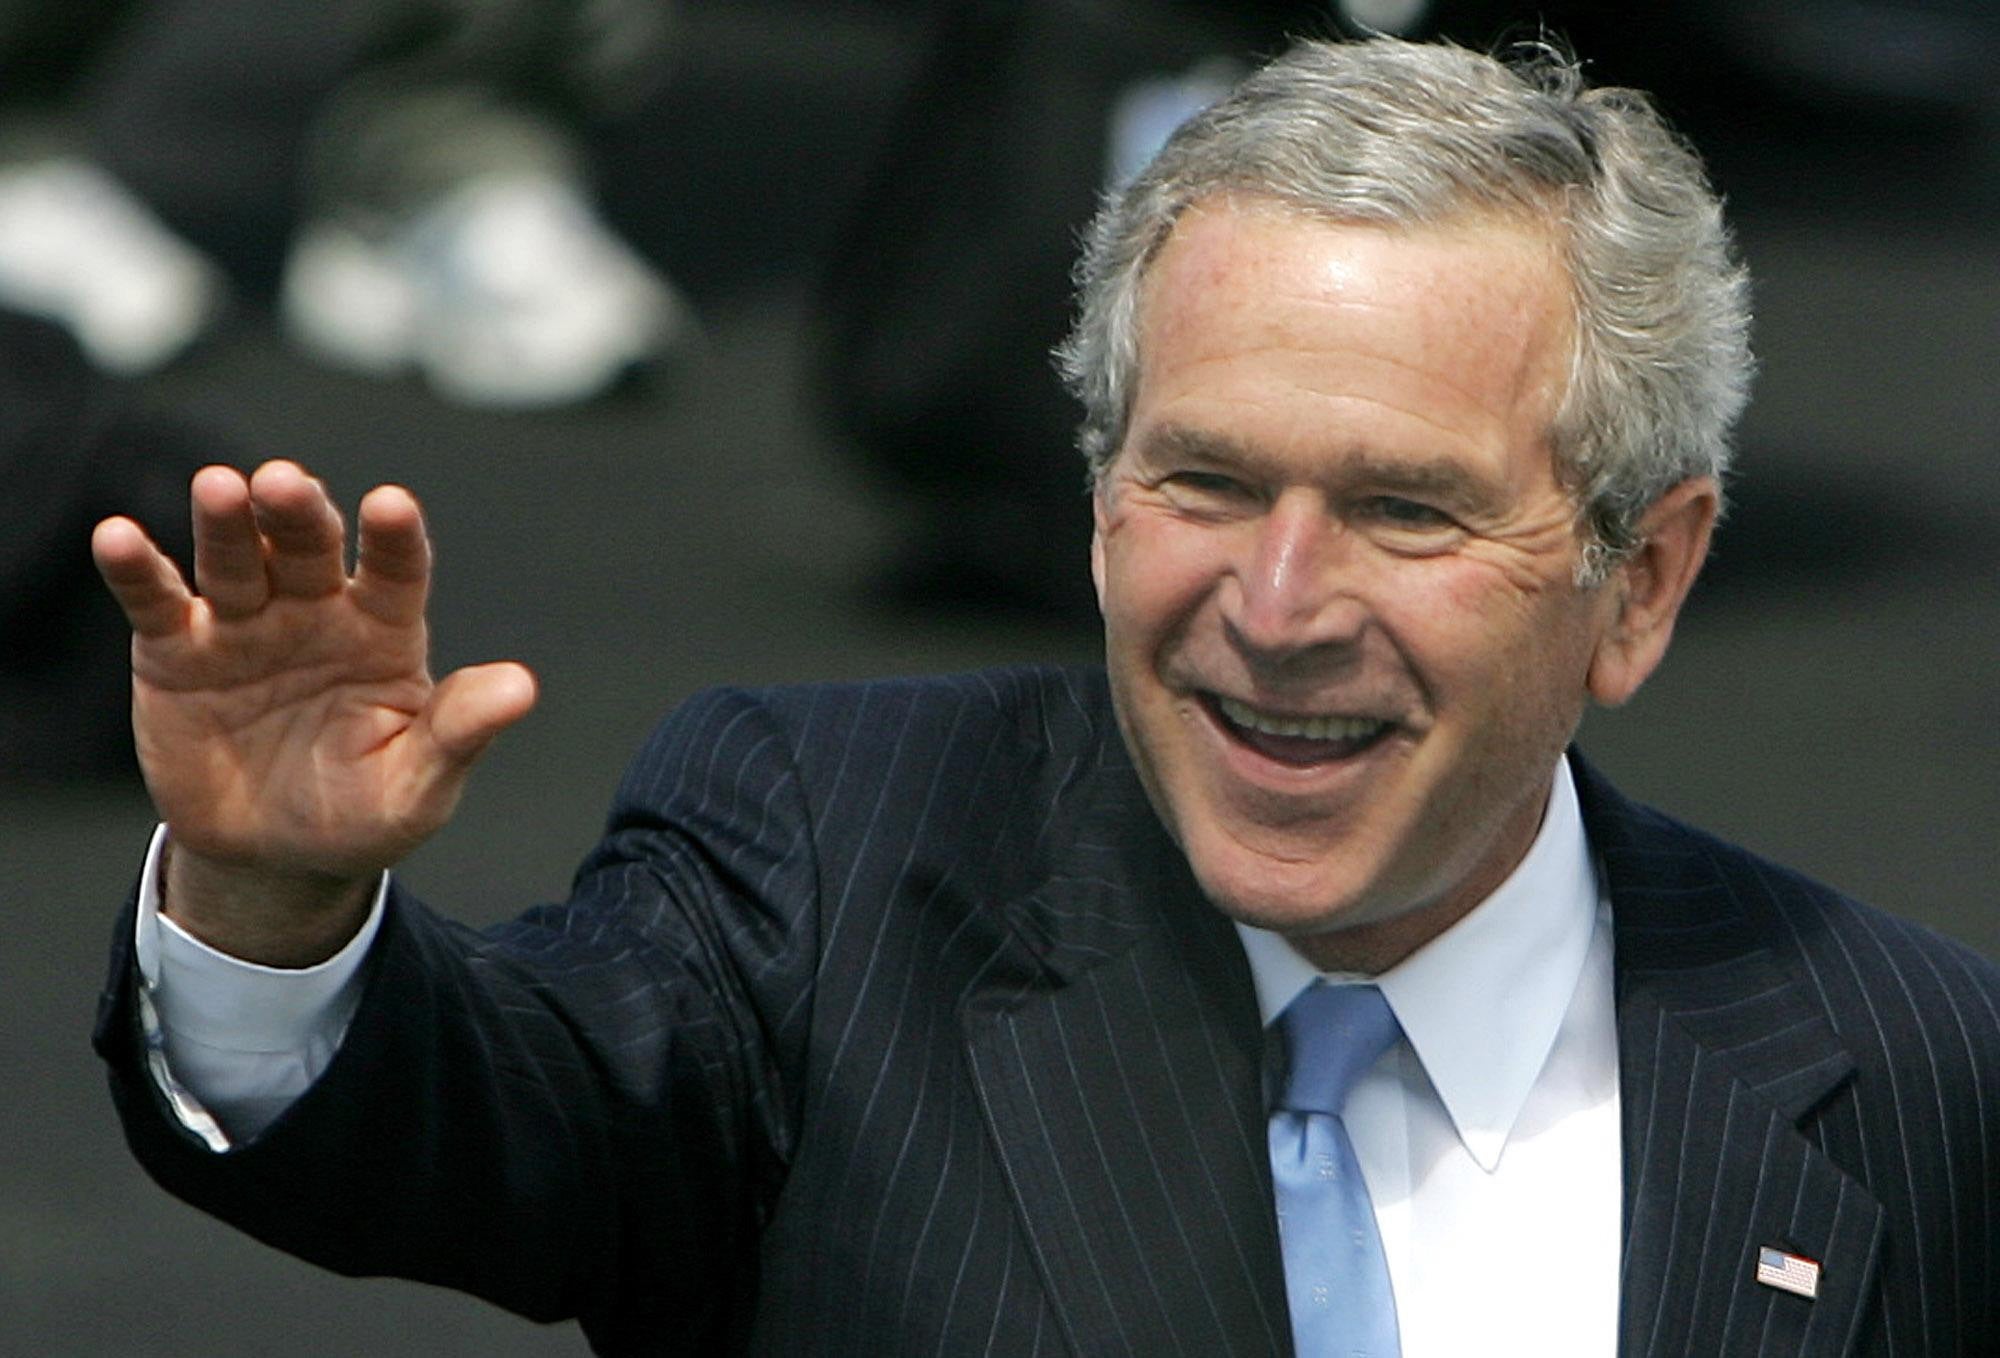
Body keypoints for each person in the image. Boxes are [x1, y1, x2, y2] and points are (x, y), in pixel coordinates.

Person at [91, 36, 1997, 1357]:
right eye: (1208, 480)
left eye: (1405, 509)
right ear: (1097, 501)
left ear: (1639, 581)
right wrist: (277, 904)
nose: (1275, 603)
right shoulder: (837, 870)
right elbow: (486, 1111)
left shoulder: (1901, 1066)